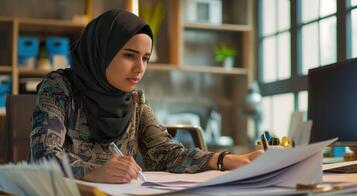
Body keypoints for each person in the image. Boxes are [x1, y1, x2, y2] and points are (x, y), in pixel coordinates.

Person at [29, 9, 263, 183]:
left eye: (145, 58)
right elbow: (44, 158)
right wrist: (93, 172)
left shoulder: (135, 100)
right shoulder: (59, 87)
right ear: (101, 51)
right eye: (130, 55)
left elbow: (166, 153)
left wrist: (227, 160)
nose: (140, 68)